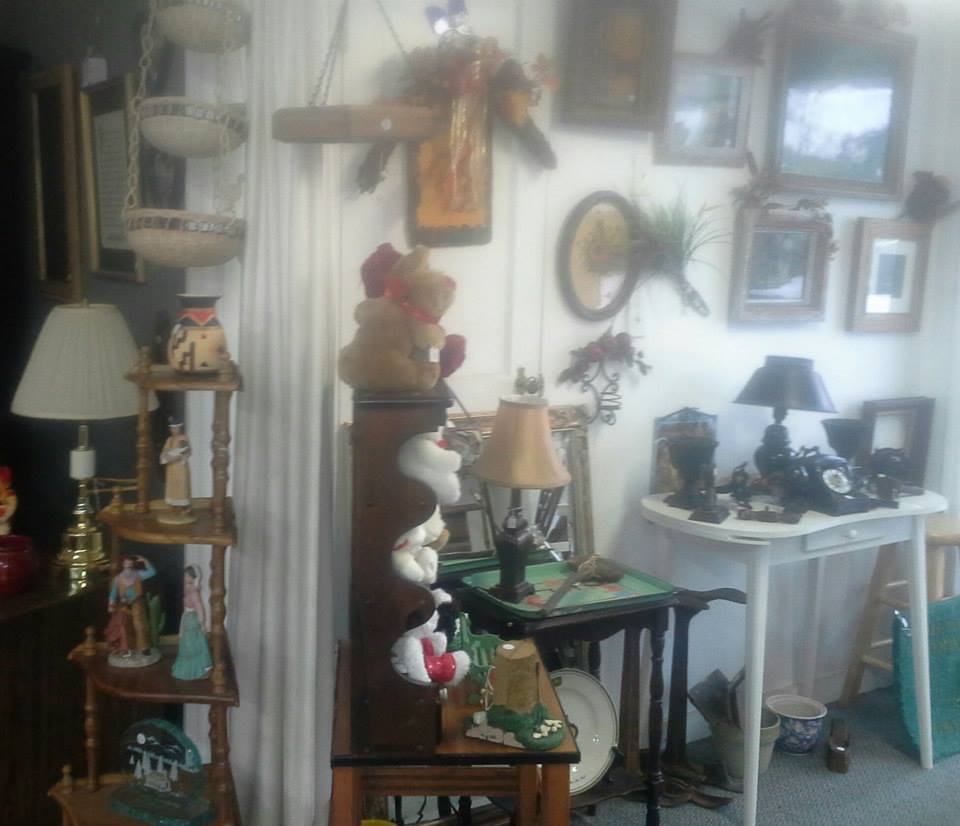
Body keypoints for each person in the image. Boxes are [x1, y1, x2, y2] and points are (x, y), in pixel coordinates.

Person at [106, 555, 156, 655]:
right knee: (123, 625)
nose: (128, 565)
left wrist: (145, 561)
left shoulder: (138, 574)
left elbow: (152, 572)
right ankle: (126, 648)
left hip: (136, 602)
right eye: (126, 563)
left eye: (130, 563)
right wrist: (111, 604)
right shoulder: (118, 579)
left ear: (133, 564)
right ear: (123, 564)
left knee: (139, 624)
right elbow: (113, 593)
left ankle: (144, 647)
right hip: (124, 604)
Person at [172, 566, 214, 681]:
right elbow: (185, 611)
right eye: (184, 575)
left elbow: (199, 608)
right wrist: (181, 629)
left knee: (193, 645)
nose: (185, 578)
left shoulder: (194, 591)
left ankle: (200, 669)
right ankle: (189, 669)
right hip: (187, 618)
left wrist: (202, 624)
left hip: (192, 620)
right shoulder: (187, 589)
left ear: (192, 577)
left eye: (187, 576)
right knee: (187, 645)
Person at [160, 420, 193, 522]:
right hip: (171, 468)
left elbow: (186, 451)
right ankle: (174, 506)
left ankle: (184, 507)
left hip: (180, 467)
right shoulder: (169, 440)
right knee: (172, 486)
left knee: (182, 486)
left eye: (176, 428)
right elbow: (165, 451)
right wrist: (166, 456)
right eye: (172, 428)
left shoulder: (183, 438)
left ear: (180, 428)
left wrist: (176, 457)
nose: (174, 430)